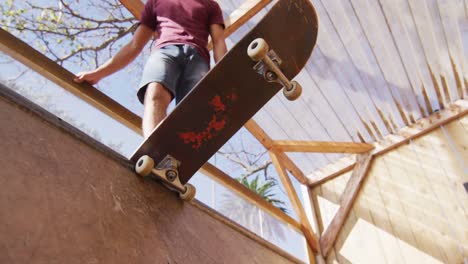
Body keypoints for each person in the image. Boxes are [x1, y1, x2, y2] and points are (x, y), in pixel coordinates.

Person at [74, 0, 227, 138]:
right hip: (165, 51)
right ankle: (155, 150)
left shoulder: (210, 5)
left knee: (194, 110)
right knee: (155, 93)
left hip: (198, 57)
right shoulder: (155, 2)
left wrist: (228, 75)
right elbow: (135, 45)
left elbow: (219, 42)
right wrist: (98, 73)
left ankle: (182, 155)